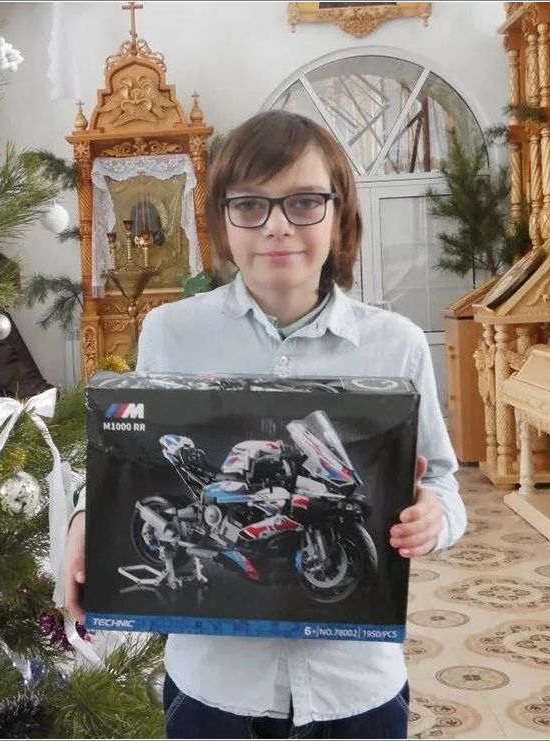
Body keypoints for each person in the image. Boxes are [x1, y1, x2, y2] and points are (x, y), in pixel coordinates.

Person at [64, 110, 467, 739]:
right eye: (251, 205)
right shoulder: (171, 332)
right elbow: (125, 453)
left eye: (305, 202)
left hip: (354, 687)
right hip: (214, 684)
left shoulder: (398, 345)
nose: (278, 226)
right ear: (223, 222)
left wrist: (435, 517)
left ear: (340, 215)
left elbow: (442, 483)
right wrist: (88, 520)